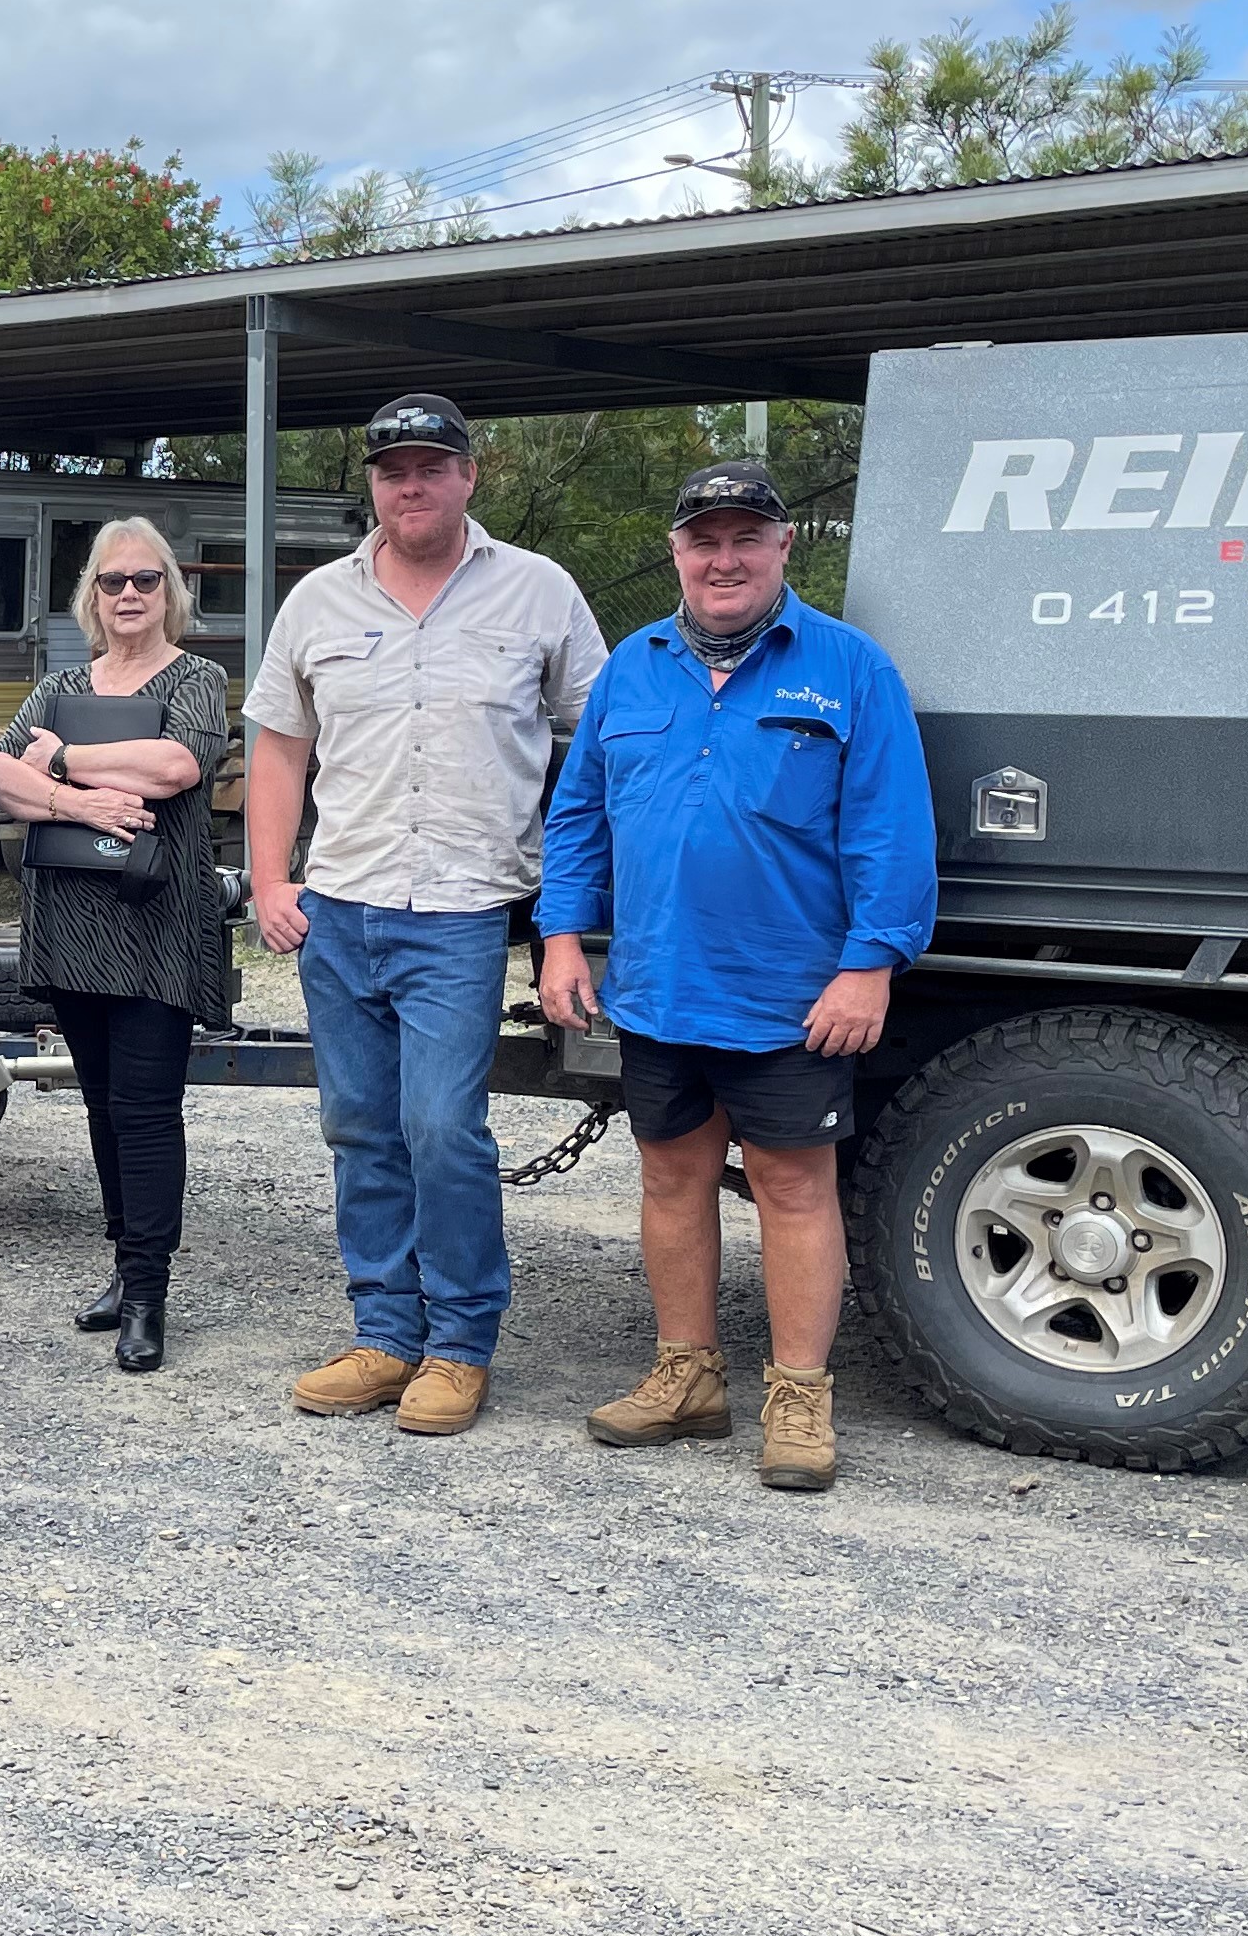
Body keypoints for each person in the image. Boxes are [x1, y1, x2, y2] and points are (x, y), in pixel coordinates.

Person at [538, 460, 936, 1495]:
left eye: (745, 539)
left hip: (791, 994)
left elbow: (892, 830)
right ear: (677, 553)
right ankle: (689, 1377)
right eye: (703, 541)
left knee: (792, 1187)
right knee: (671, 1178)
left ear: (782, 547)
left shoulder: (851, 669)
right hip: (659, 984)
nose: (724, 560)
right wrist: (562, 936)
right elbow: (578, 815)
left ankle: (799, 1396)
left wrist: (870, 964)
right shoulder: (632, 668)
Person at [245, 394, 606, 1437]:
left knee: (442, 1127)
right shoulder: (318, 600)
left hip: (462, 910)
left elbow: (598, 741)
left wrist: (571, 908)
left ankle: (459, 1344)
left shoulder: (538, 591)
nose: (411, 486)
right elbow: (280, 748)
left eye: (431, 467)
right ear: (373, 483)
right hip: (340, 908)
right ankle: (384, 1334)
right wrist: (270, 881)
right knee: (359, 1129)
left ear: (468, 475)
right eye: (393, 470)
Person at [0, 519, 234, 1373]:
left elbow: (175, 767)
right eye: (113, 580)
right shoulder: (57, 684)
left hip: (157, 927)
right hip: (73, 926)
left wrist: (63, 759)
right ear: (92, 594)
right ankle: (125, 1271)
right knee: (100, 1106)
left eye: (146, 579)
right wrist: (79, 801)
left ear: (170, 591)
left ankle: (150, 1293)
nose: (129, 593)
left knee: (145, 1111)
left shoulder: (197, 678)